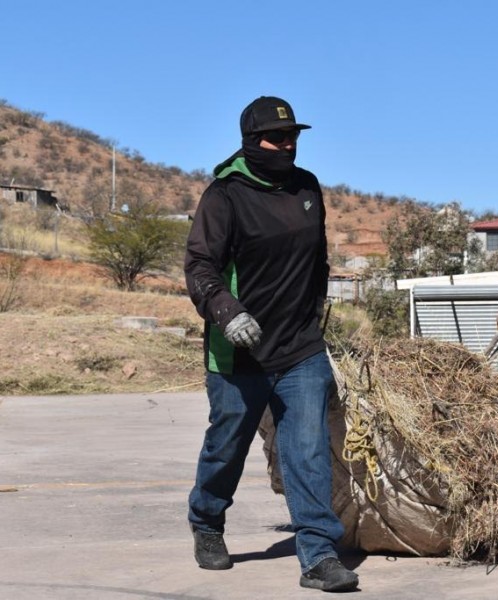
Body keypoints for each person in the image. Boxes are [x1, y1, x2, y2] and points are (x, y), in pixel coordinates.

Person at [184, 96, 358, 592]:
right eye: (276, 138)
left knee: (307, 451)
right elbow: (200, 266)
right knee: (228, 445)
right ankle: (207, 521)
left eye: (293, 137)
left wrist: (314, 313)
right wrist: (227, 311)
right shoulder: (225, 195)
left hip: (301, 347)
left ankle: (318, 554)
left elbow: (318, 260)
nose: (287, 145)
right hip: (238, 351)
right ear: (250, 142)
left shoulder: (308, 188)